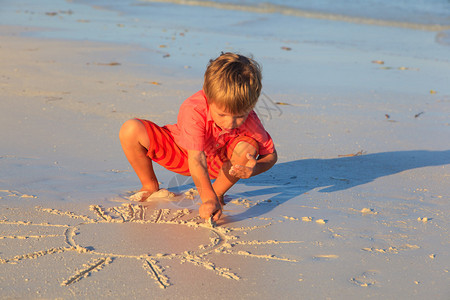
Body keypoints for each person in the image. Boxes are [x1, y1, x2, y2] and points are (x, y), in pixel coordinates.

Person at [119, 52, 277, 222]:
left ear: (251, 105)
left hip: (220, 163)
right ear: (208, 97)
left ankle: (217, 193)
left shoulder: (251, 119)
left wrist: (255, 169)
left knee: (248, 146)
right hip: (184, 154)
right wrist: (206, 198)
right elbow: (196, 159)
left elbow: (271, 156)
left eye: (240, 116)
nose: (230, 123)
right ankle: (149, 185)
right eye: (222, 114)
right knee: (131, 129)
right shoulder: (194, 109)